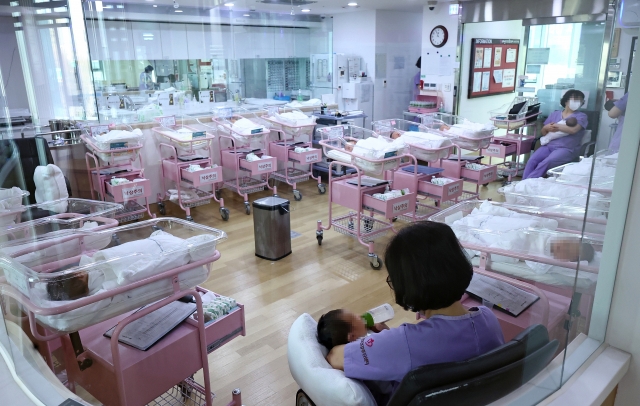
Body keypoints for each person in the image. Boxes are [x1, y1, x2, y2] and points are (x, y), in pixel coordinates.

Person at [326, 222, 504, 405]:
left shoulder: (405, 342)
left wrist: (384, 341)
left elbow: (335, 357)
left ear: (407, 284)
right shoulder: (488, 319)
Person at [522, 90, 589, 179]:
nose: (577, 102)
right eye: (575, 99)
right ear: (566, 101)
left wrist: (556, 126)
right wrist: (545, 128)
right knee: (532, 160)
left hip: (566, 149)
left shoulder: (581, 116)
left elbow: (573, 130)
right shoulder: (555, 114)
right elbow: (544, 133)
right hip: (548, 146)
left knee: (547, 162)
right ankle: (524, 182)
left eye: (580, 100)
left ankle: (528, 183)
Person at [317, 309, 389, 350]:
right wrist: (386, 332)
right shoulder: (368, 345)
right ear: (352, 336)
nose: (358, 315)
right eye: (354, 317)